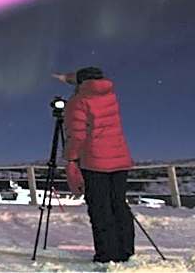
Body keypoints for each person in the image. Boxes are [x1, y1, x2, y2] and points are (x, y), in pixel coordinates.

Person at [54, 66, 135, 264]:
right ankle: (125, 250)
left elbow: (78, 136)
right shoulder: (110, 97)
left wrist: (71, 159)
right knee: (119, 205)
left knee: (100, 208)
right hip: (119, 160)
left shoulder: (78, 102)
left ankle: (107, 254)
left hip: (94, 161)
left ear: (81, 82)